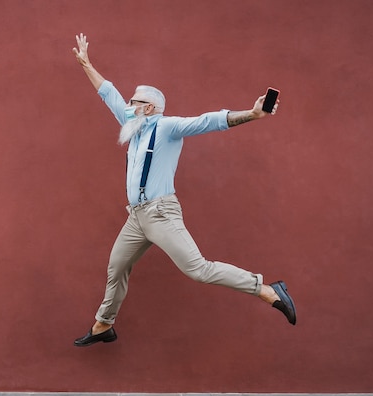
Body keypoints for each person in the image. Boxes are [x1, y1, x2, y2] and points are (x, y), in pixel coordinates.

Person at [72, 33, 296, 347]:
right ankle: (103, 325)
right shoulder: (133, 126)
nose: (128, 106)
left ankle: (266, 289)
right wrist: (86, 63)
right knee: (117, 265)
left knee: (198, 269)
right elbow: (107, 93)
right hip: (137, 217)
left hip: (161, 213)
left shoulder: (167, 127)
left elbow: (208, 122)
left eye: (134, 103)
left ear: (148, 108)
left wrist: (252, 114)